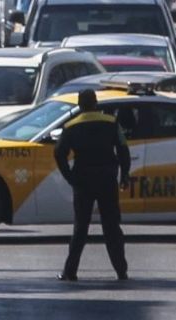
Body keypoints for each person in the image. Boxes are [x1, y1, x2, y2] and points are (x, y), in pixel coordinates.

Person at [54, 89, 130, 281]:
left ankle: (70, 272)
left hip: (83, 179)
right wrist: (125, 174)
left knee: (80, 227)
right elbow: (123, 149)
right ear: (96, 103)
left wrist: (69, 176)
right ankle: (121, 271)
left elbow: (59, 153)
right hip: (107, 178)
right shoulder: (111, 123)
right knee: (112, 226)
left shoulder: (71, 126)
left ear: (80, 106)